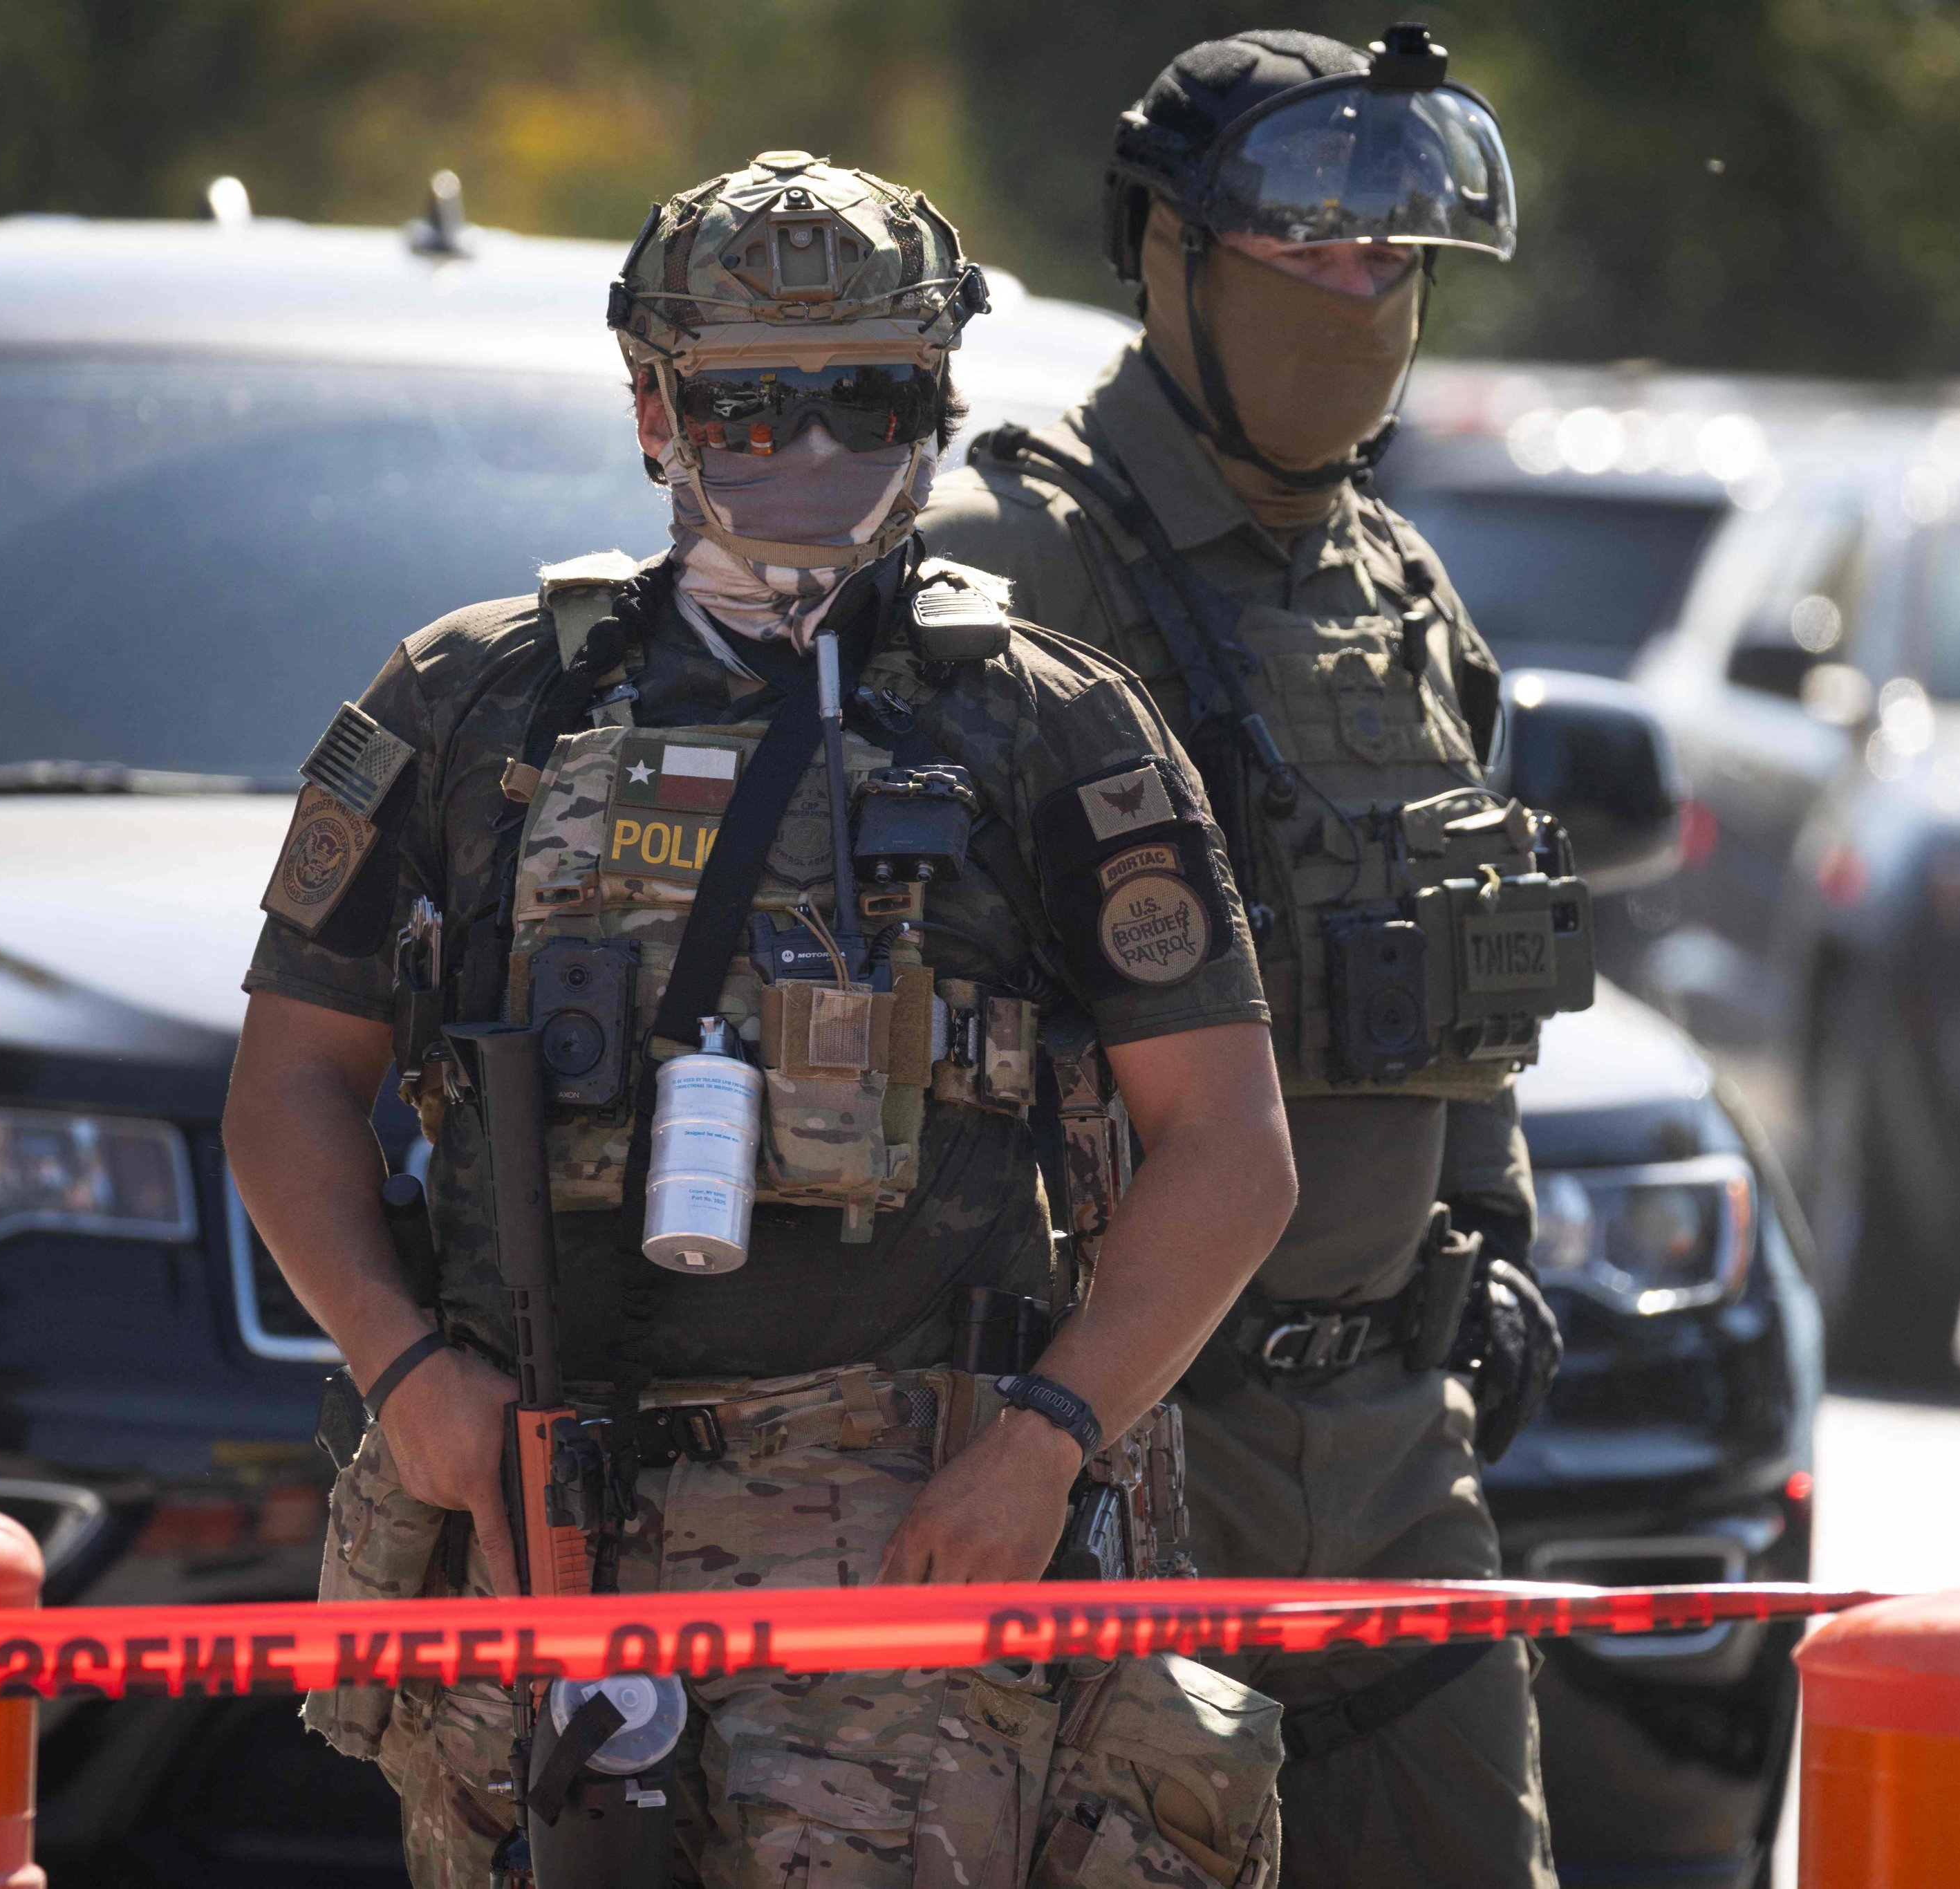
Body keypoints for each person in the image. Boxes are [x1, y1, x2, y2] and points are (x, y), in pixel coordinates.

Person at [225, 150, 1300, 1889]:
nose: (809, 458)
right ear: (652, 407)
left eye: (862, 403)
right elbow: (287, 1090)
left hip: (901, 1544)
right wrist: (407, 1375)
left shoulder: (1046, 728)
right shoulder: (475, 699)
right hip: (526, 1520)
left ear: (939, 402)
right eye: (749, 410)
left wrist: (1045, 1442)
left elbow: (1228, 1149)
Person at [921, 27, 1567, 1889]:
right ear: (1168, 250)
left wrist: (1493, 1225)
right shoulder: (1016, 559)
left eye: (1394, 256)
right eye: (1308, 244)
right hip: (1121, 1442)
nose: (1360, 290)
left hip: (1394, 1441)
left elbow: (1467, 944)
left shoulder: (1397, 580)